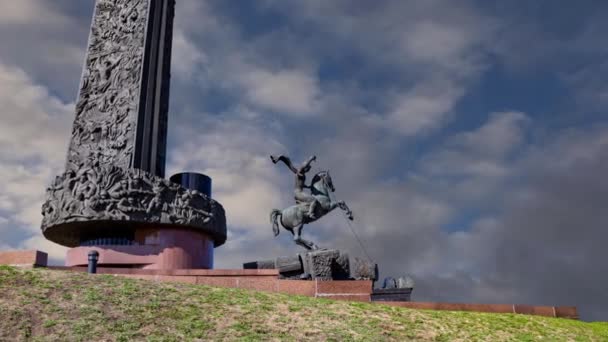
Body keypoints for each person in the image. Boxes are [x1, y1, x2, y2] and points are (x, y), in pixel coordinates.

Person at [270, 154, 320, 219]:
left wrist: (309, 186)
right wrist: (311, 159)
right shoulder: (300, 171)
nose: (308, 170)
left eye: (309, 169)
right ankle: (310, 213)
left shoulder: (302, 174)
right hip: (299, 193)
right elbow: (304, 165)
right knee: (314, 200)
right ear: (306, 168)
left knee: (309, 201)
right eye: (308, 168)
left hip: (298, 192)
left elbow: (302, 185)